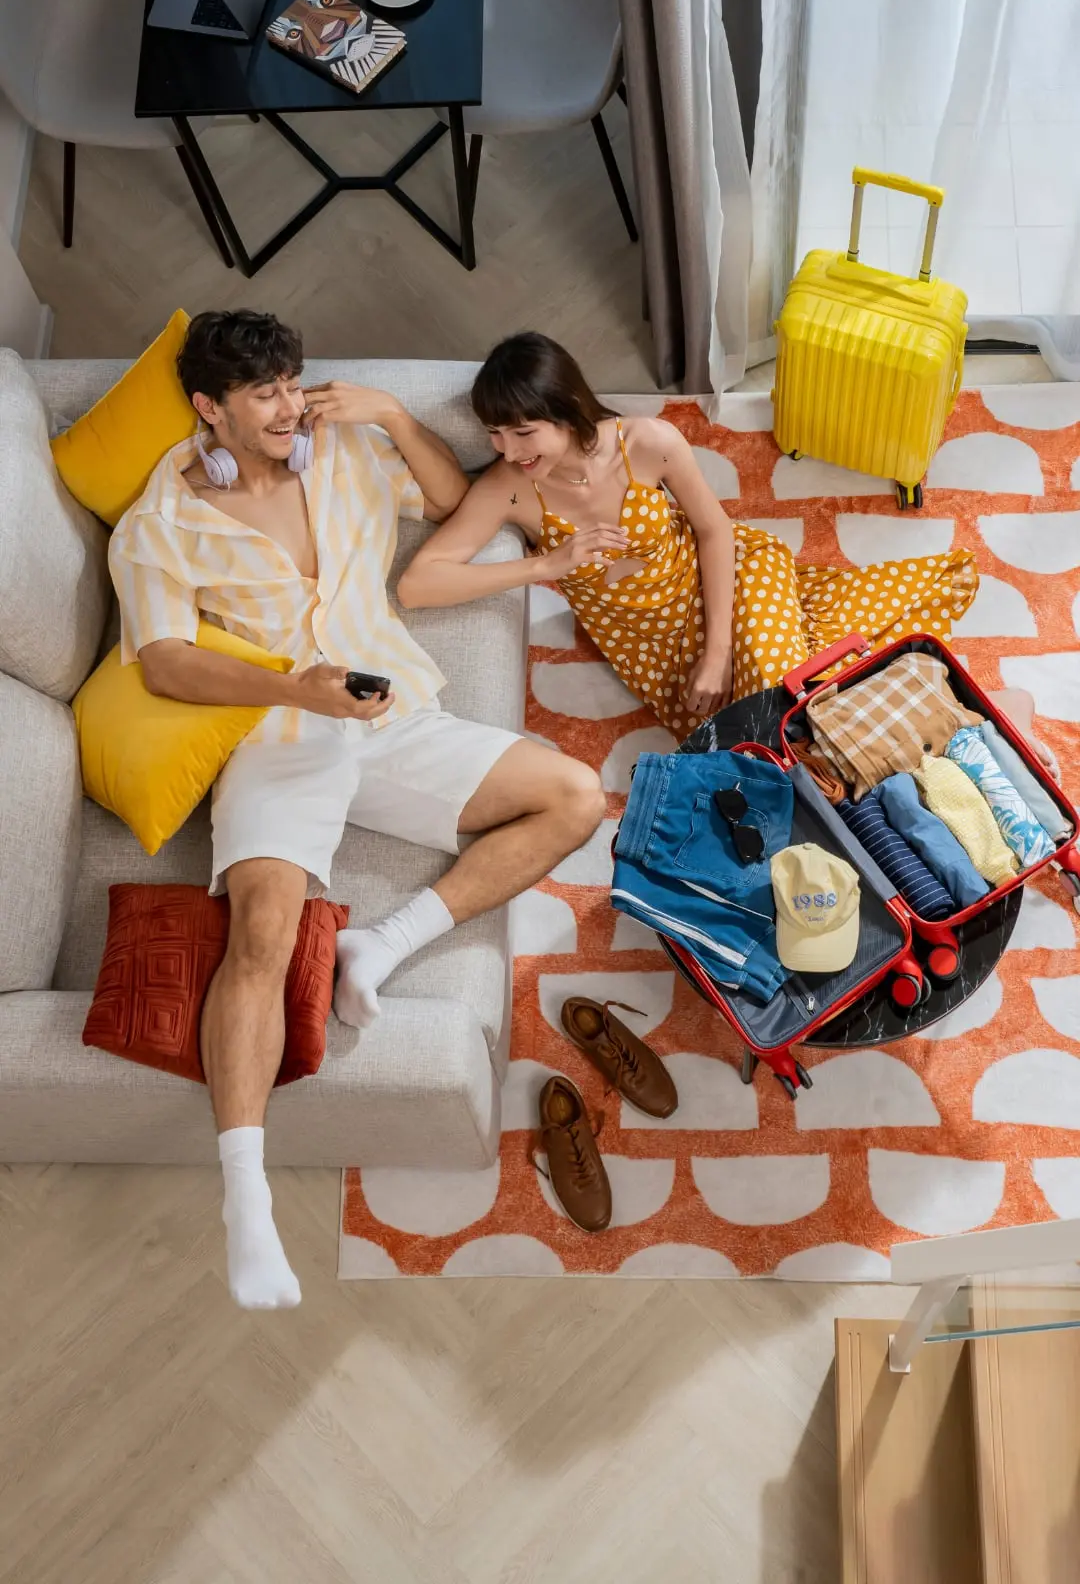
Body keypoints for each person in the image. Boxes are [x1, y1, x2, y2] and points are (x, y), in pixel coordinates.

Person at [108, 312, 605, 1311]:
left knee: (577, 795)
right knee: (259, 935)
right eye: (264, 394)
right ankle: (243, 1198)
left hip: (392, 710)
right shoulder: (159, 522)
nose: (289, 406)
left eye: (294, 383)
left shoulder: (341, 445)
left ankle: (381, 944)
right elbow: (162, 662)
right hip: (278, 732)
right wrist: (298, 693)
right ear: (210, 408)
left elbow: (447, 497)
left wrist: (384, 410)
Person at [397, 332, 981, 737]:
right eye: (495, 433)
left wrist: (719, 653)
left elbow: (713, 531)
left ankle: (957, 730)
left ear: (568, 411)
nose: (506, 450)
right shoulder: (509, 488)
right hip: (656, 650)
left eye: (523, 432)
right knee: (764, 733)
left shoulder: (648, 443)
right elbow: (418, 586)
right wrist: (542, 568)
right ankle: (944, 725)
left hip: (731, 581)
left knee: (788, 694)